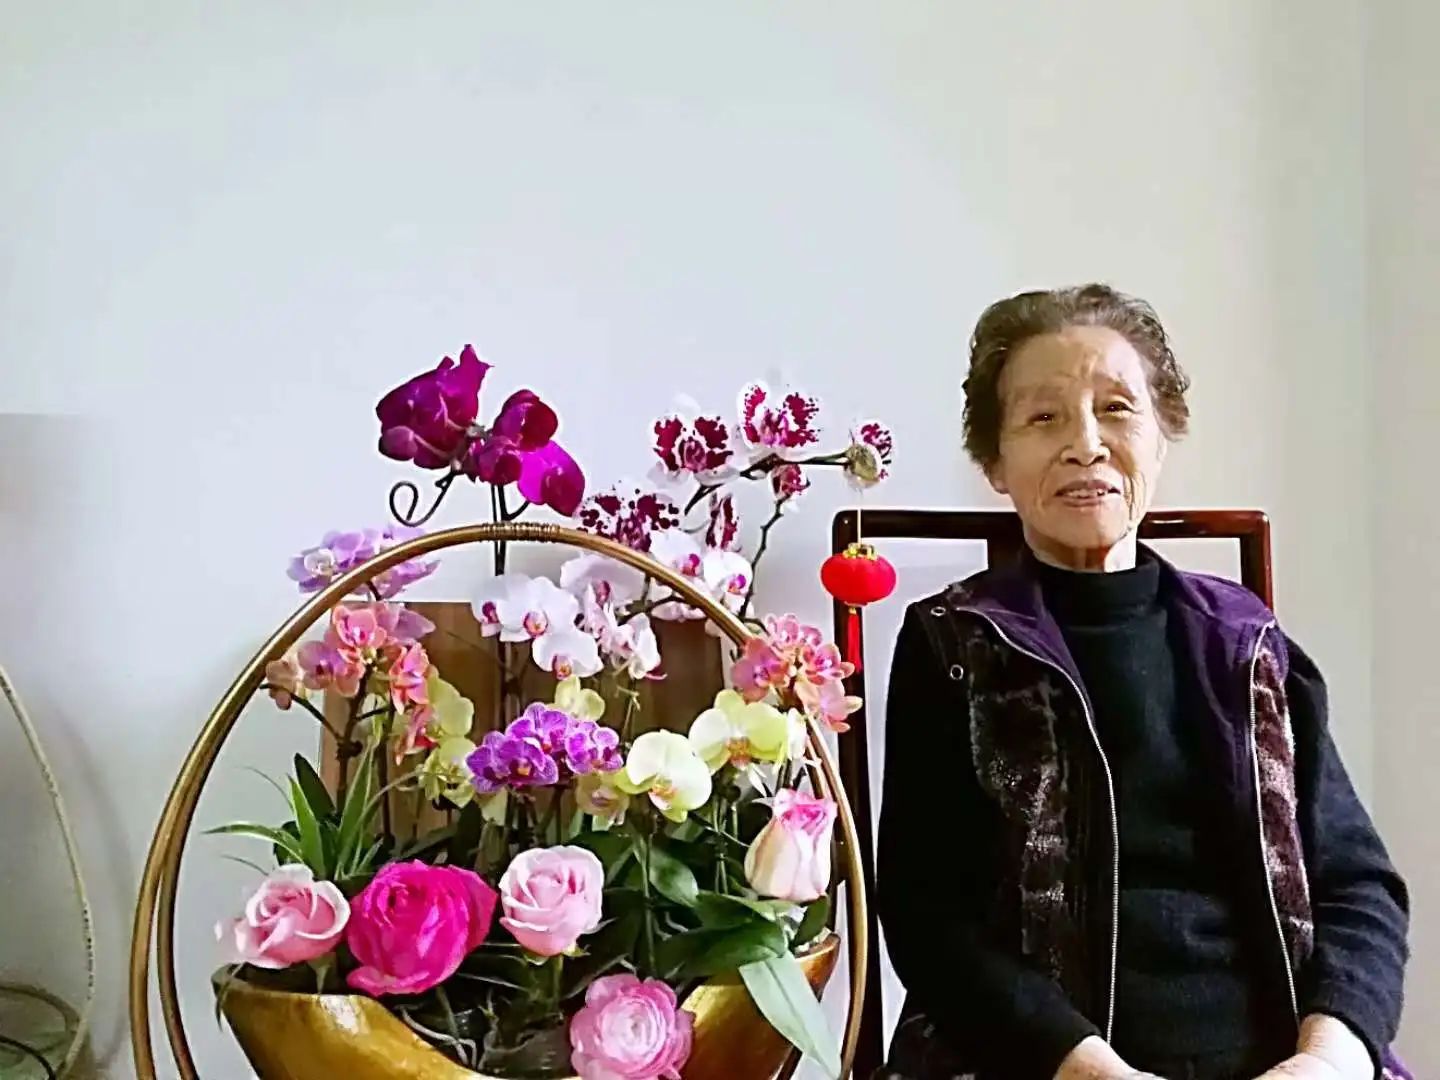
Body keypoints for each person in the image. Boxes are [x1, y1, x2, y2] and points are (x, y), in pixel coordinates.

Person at [877, 285, 1409, 1080]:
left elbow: (1358, 884)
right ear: (994, 463)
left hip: (1282, 1057)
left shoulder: (1248, 641)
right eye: (1043, 417)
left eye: (1116, 409)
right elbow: (928, 918)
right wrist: (1091, 1071)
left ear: (1162, 438)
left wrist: (1328, 1059)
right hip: (1050, 1065)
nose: (1085, 444)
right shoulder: (955, 644)